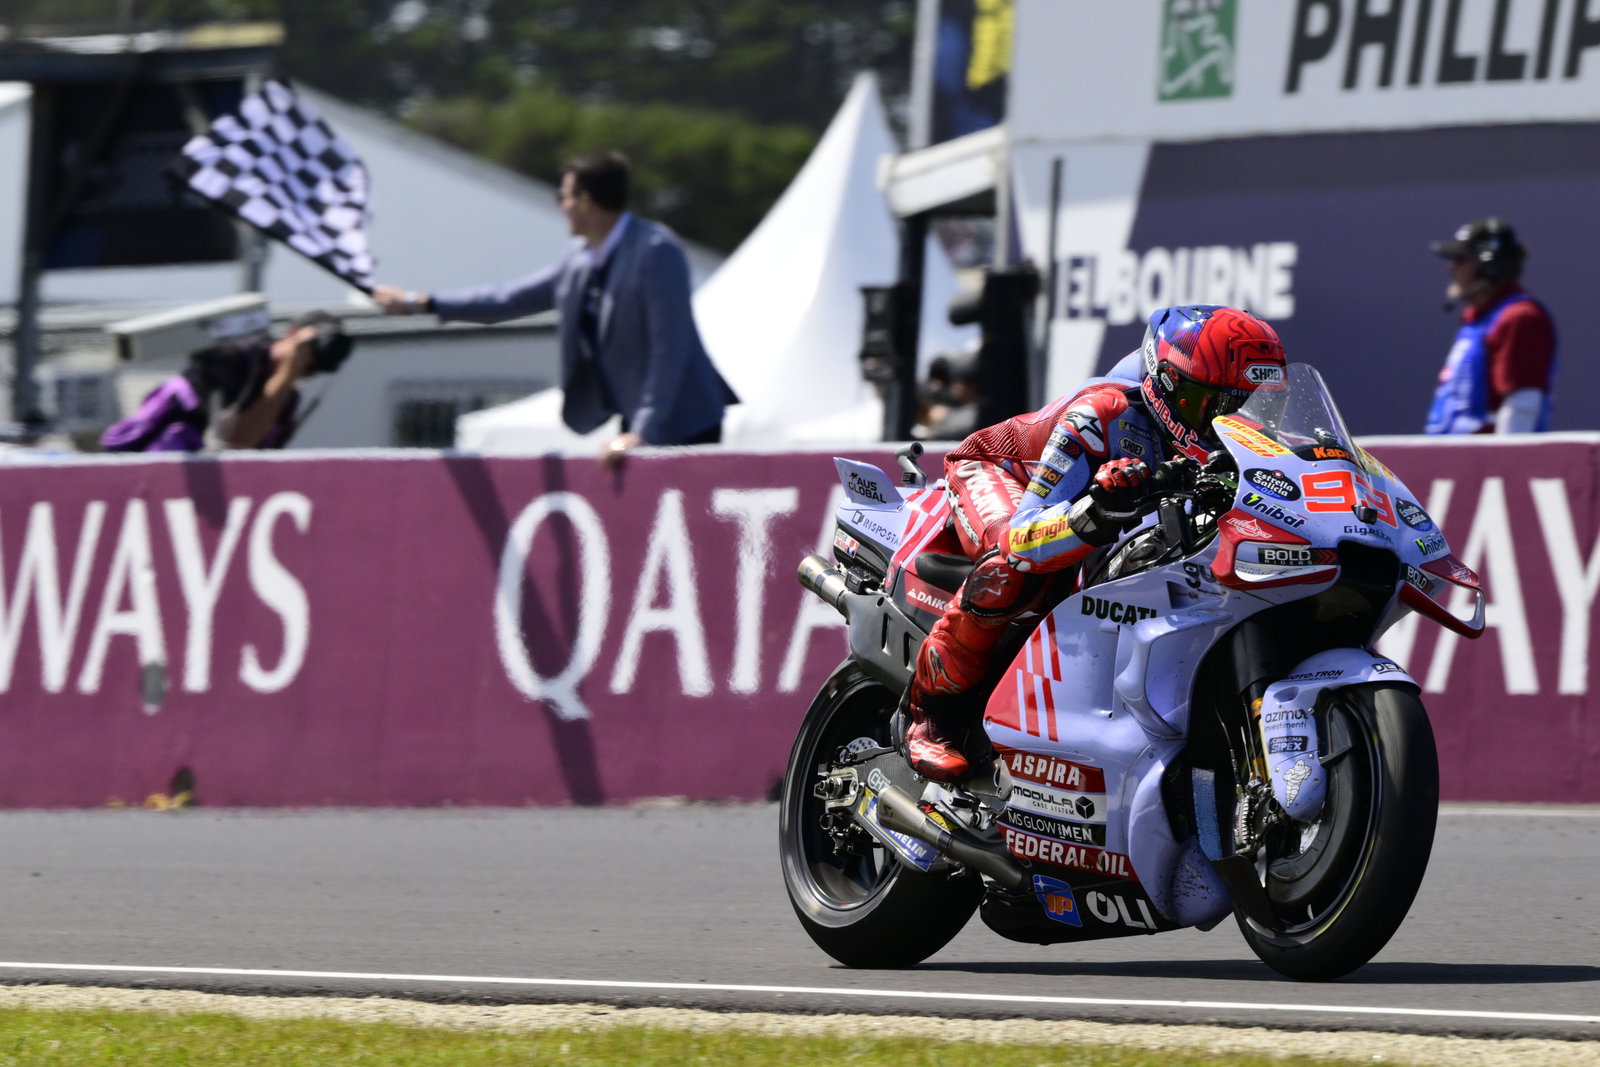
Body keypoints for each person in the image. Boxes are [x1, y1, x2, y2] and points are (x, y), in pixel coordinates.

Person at [901, 304, 1287, 782]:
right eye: (1203, 401)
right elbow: (1025, 535)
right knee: (1016, 564)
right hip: (999, 473)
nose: (1224, 420)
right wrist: (1095, 511)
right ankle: (930, 715)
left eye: (1245, 405)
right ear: (1165, 383)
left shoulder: (1250, 446)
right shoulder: (1104, 413)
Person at [370, 150, 737, 465]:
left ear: (586, 201)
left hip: (686, 421)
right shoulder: (578, 259)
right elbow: (508, 299)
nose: (561, 206)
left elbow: (668, 351)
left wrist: (642, 434)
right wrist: (420, 303)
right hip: (638, 425)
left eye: (563, 197)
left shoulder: (656, 250)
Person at [100, 311, 352, 453]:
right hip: (156, 461)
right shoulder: (235, 358)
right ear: (293, 334)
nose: (311, 368)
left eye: (321, 366)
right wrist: (285, 375)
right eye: (311, 355)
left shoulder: (288, 400)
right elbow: (237, 440)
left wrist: (285, 382)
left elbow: (248, 455)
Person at [1425, 217, 1557, 434]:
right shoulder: (1479, 321)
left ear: (1489, 266)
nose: (1450, 269)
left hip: (1487, 467)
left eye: (1459, 260)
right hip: (1455, 464)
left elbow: (1521, 409)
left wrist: (1506, 466)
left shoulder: (1520, 318)